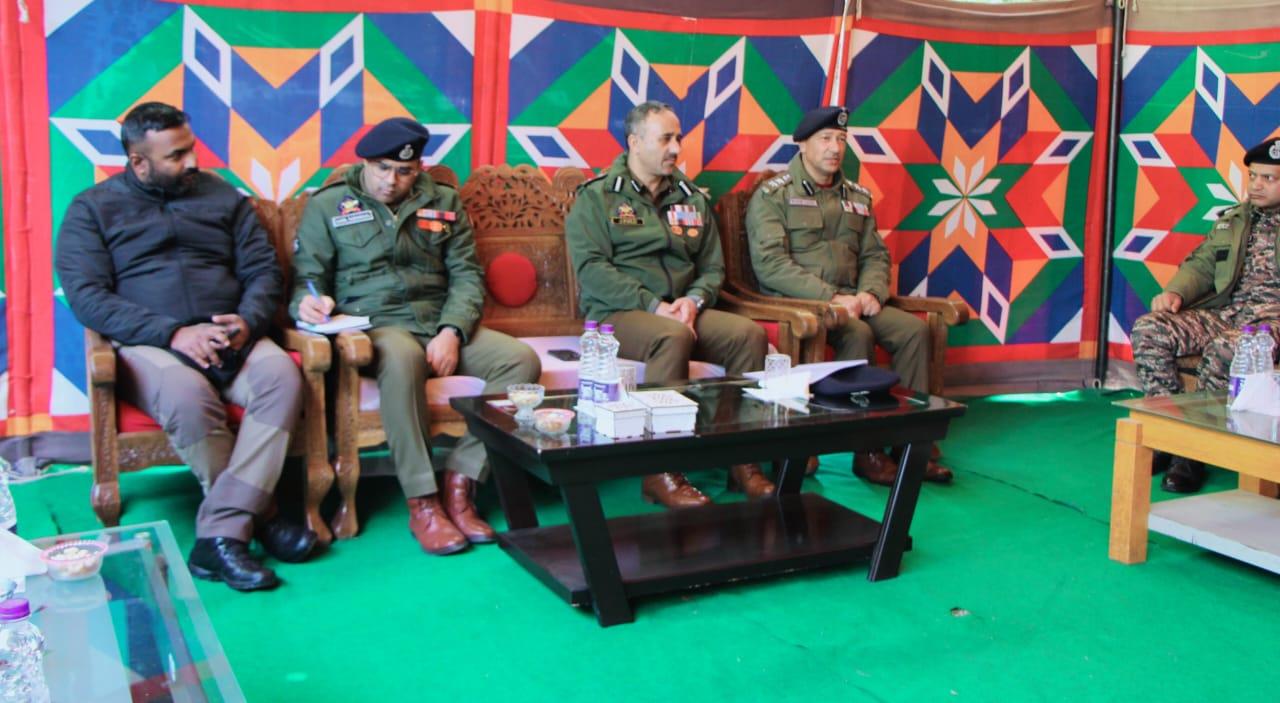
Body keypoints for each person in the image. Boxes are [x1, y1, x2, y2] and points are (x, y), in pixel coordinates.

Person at [56, 102, 317, 592]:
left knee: (282, 376)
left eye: (191, 149)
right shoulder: (91, 209)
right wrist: (173, 333)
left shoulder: (223, 197)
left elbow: (263, 270)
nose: (193, 162)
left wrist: (247, 321)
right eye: (176, 156)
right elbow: (87, 296)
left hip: (230, 335)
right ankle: (262, 515)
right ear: (138, 162)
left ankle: (219, 536)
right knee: (186, 395)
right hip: (151, 343)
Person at [291, 117, 540, 555]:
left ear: (419, 168)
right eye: (383, 168)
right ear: (365, 163)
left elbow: (466, 274)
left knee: (520, 362)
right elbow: (307, 280)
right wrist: (308, 303)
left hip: (437, 320)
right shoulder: (328, 205)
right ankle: (423, 502)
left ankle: (461, 485)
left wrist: (452, 330)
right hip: (376, 325)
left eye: (404, 171)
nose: (391, 180)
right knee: (403, 358)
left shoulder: (442, 200)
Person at [566, 100, 772, 508]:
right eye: (665, 139)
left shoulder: (690, 197)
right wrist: (653, 305)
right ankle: (660, 469)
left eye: (678, 138)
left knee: (747, 335)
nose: (676, 148)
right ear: (634, 142)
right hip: (618, 314)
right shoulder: (598, 196)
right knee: (672, 336)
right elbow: (592, 270)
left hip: (681, 310)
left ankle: (738, 456)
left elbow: (713, 267)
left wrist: (694, 300)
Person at [745, 105, 952, 486]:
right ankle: (866, 450)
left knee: (913, 331)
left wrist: (871, 291)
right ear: (802, 144)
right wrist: (831, 298)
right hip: (801, 304)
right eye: (825, 139)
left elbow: (875, 254)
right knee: (858, 333)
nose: (835, 148)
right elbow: (770, 265)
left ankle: (912, 445)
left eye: (841, 139)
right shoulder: (773, 195)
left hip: (854, 299)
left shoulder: (857, 195)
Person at [1131, 137, 1280, 493]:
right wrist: (1176, 292)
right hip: (1229, 312)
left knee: (1225, 349)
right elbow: (1202, 263)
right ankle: (1168, 435)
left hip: (1271, 321)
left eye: (1269, 178)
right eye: (1253, 176)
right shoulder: (1236, 219)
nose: (1256, 185)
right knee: (1149, 329)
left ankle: (1192, 454)